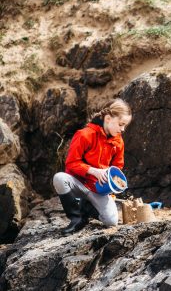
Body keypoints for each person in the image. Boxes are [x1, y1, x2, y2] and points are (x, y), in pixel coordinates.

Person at [53, 98, 132, 235]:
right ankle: (77, 218)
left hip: (98, 188)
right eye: (121, 124)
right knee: (59, 178)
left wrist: (112, 185)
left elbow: (117, 166)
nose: (123, 129)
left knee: (111, 221)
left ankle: (88, 208)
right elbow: (71, 163)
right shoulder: (84, 135)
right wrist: (93, 171)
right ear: (108, 119)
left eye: (125, 125)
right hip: (79, 184)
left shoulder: (118, 141)